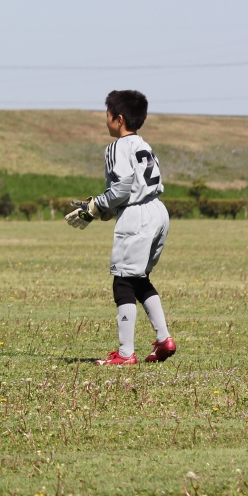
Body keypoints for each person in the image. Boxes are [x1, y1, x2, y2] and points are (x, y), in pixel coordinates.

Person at [65, 90, 176, 365]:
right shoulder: (143, 144)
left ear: (119, 119)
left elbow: (123, 188)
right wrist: (105, 208)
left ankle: (126, 354)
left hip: (137, 214)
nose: (106, 120)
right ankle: (164, 340)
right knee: (138, 279)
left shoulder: (117, 147)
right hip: (157, 211)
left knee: (123, 281)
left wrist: (97, 205)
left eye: (107, 115)